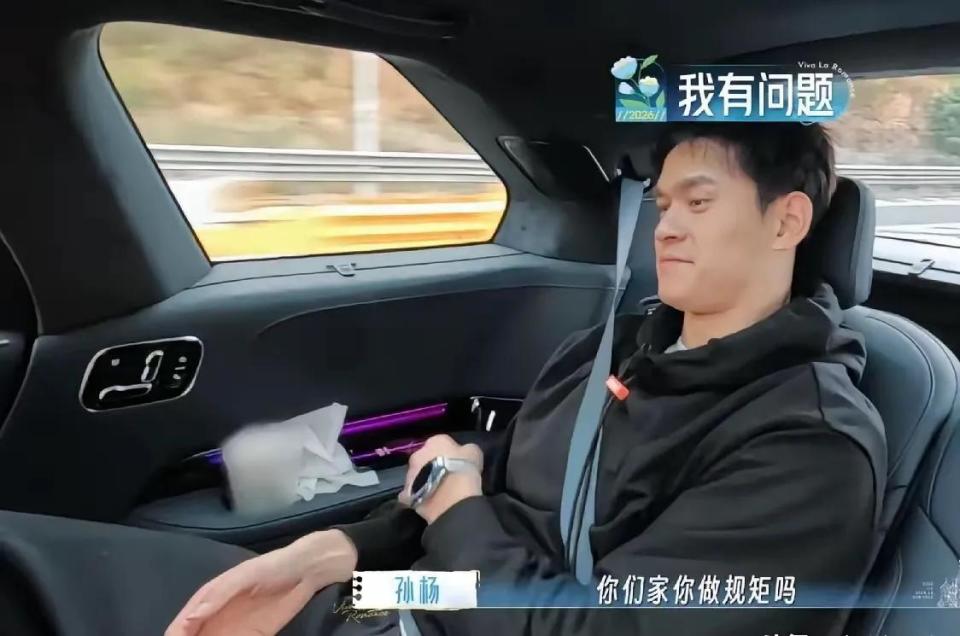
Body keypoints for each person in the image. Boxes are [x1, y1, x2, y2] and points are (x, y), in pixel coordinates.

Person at [166, 122, 887, 636]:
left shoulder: (808, 446)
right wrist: (336, 557)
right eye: (664, 206)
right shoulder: (614, 347)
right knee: (186, 592)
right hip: (424, 600)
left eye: (698, 203)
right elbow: (493, 479)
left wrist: (454, 510)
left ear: (786, 222)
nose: (665, 228)